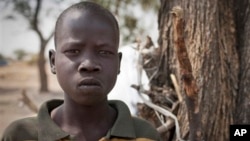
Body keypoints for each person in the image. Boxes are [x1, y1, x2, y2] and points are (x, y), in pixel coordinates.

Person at [1, 1, 160, 141]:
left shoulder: (144, 135)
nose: (89, 64)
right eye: (73, 51)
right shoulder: (20, 135)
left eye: (104, 52)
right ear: (53, 61)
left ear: (118, 64)